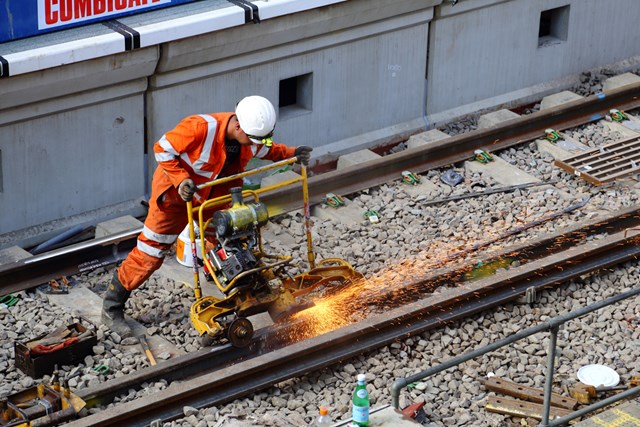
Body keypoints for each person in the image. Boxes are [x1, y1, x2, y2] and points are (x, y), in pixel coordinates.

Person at [102, 96, 313, 339]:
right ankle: (112, 306)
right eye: (254, 139)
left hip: (215, 197)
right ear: (238, 127)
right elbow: (162, 149)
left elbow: (267, 149)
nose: (256, 145)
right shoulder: (200, 128)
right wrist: (181, 180)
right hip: (175, 197)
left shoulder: (251, 136)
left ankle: (231, 283)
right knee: (151, 252)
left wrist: (292, 153)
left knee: (229, 238)